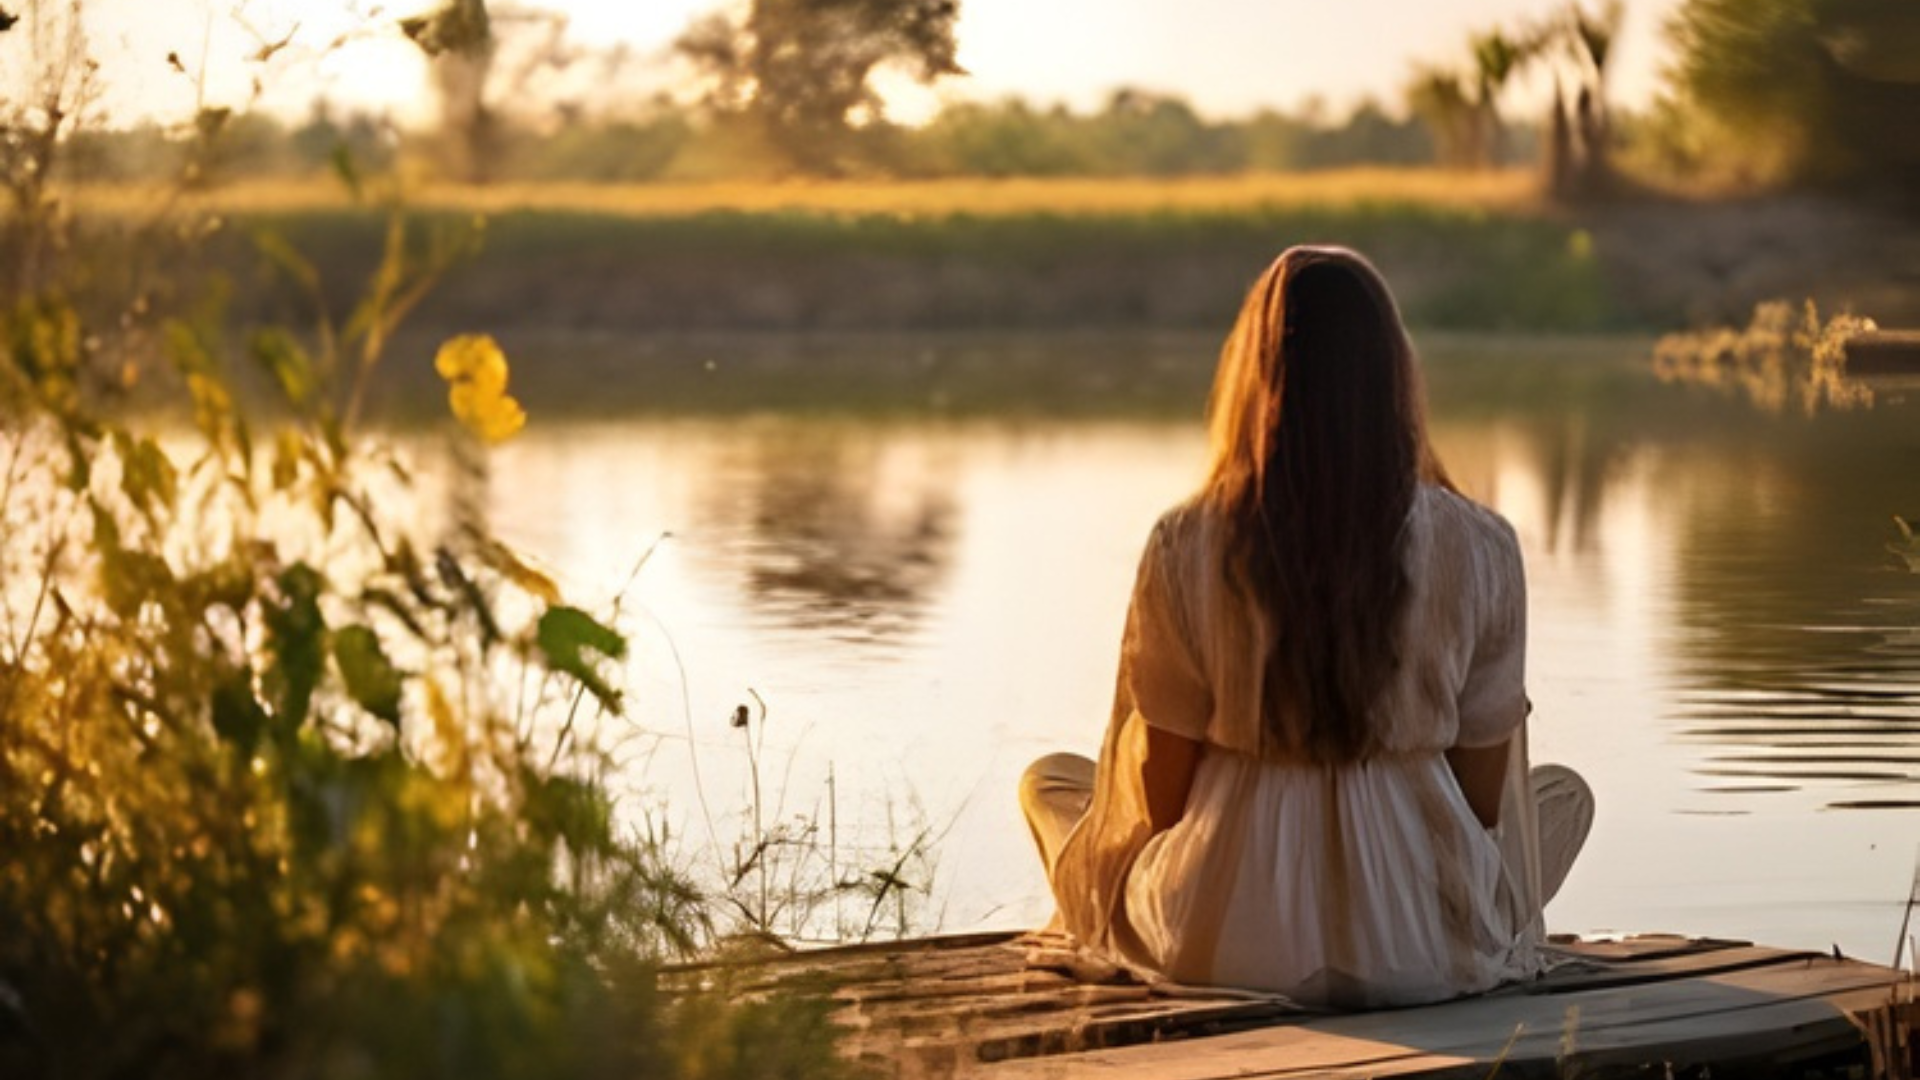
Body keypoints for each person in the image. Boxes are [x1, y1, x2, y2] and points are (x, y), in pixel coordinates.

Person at [1019, 246, 1593, 1009]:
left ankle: (1083, 927)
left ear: (1256, 378)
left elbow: (1160, 796)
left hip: (1215, 945)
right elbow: (1484, 799)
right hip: (1424, 953)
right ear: (1394, 377)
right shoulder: (1481, 545)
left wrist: (1114, 891)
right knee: (1562, 796)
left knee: (1051, 784)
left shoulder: (1186, 541)